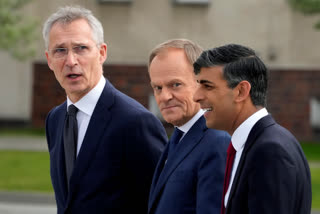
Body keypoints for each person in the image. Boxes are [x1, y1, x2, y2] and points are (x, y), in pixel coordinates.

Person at [43, 6, 167, 214]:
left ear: (101, 53)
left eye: (81, 48)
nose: (71, 61)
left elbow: (160, 203)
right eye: (60, 50)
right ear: (49, 60)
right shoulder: (55, 119)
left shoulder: (135, 122)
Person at [193, 43, 312, 214]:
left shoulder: (270, 151)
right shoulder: (260, 143)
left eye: (207, 86)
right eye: (198, 85)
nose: (196, 96)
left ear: (241, 91)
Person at [147, 39, 230, 214]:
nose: (164, 96)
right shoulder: (179, 136)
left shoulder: (216, 143)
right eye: (158, 87)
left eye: (175, 84)